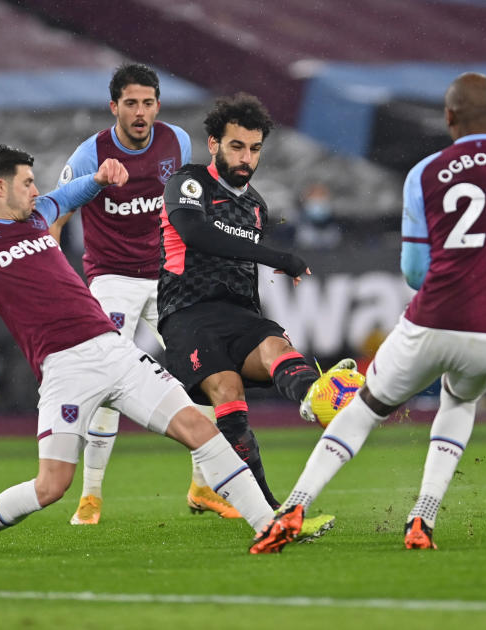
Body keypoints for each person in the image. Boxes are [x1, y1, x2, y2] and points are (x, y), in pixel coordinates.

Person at [0, 144, 282, 556]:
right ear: (0, 187)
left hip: (115, 350)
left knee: (201, 430)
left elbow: (70, 195)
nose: (37, 190)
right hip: (65, 369)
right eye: (27, 182)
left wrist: (100, 177)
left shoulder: (37, 216)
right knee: (51, 486)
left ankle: (269, 525)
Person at [249, 72, 486, 554]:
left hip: (434, 318)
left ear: (449, 117)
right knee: (459, 403)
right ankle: (422, 518)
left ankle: (293, 507)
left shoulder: (427, 173)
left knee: (368, 407)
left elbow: (416, 273)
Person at [50, 62, 238, 524]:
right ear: (113, 106)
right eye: (130, 103)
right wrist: (53, 281)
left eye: (147, 102)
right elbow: (54, 214)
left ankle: (202, 487)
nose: (139, 112)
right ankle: (90, 496)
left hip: (167, 276)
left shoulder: (177, 142)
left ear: (158, 105)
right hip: (112, 279)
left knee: (211, 370)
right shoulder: (90, 154)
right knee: (107, 380)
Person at [158, 93, 356, 524]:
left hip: (238, 313)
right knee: (228, 393)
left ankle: (314, 398)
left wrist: (262, 311)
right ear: (213, 144)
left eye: (254, 148)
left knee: (275, 346)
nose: (246, 157)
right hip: (187, 314)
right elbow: (195, 233)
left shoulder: (256, 206)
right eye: (236, 146)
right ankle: (270, 511)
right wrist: (277, 256)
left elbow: (241, 267)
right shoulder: (188, 183)